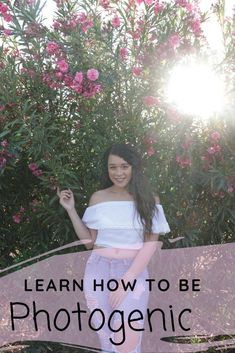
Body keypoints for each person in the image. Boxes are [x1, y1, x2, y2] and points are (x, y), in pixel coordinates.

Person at [57, 143, 170, 353]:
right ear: (107, 169)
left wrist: (125, 282)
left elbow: (149, 246)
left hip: (132, 272)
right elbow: (90, 243)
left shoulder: (149, 200)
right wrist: (71, 210)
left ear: (134, 167)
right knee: (107, 340)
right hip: (97, 269)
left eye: (124, 166)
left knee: (127, 339)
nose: (118, 173)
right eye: (113, 167)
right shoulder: (98, 198)